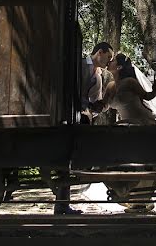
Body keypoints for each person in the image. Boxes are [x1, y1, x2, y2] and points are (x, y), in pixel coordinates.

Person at [55, 41, 115, 215]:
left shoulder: (97, 72)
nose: (109, 61)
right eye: (108, 57)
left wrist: (97, 106)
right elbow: (74, 93)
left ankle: (62, 204)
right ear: (100, 53)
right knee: (69, 159)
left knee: (71, 162)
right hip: (75, 118)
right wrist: (84, 109)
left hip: (86, 117)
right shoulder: (82, 65)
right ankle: (61, 204)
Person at [93, 53, 156, 125]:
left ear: (119, 67)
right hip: (126, 124)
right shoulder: (110, 86)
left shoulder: (129, 82)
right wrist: (94, 106)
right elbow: (104, 106)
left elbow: (147, 96)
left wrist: (155, 89)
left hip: (141, 122)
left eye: (113, 60)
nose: (110, 61)